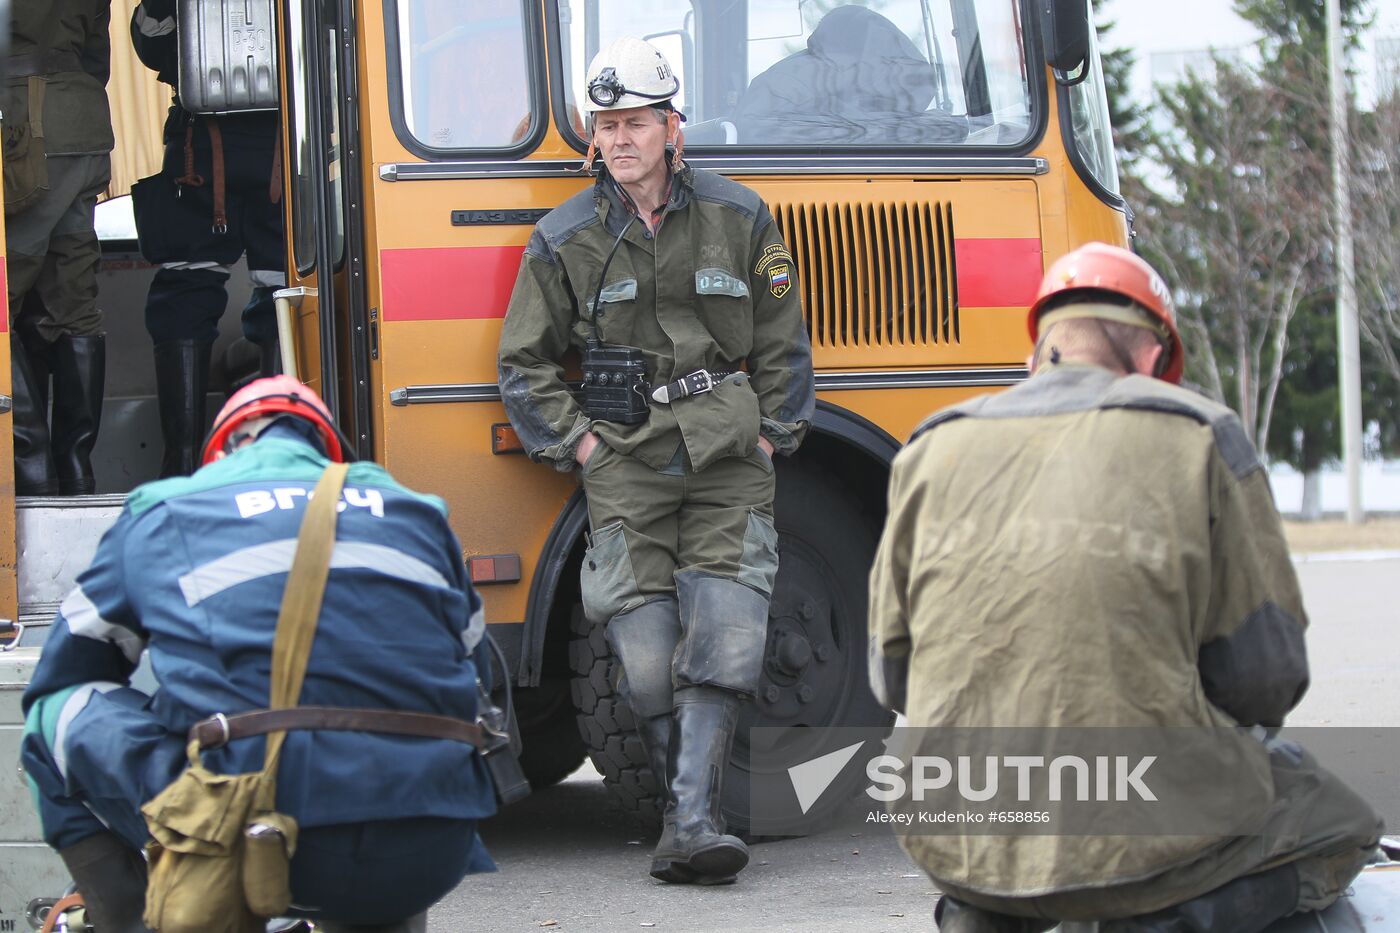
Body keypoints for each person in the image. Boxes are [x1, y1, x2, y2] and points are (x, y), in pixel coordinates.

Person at [867, 242, 1383, 932]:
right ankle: (1162, 917)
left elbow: (891, 677)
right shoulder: (1200, 434)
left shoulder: (929, 446)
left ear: (1039, 350)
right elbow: (1266, 679)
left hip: (955, 833)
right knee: (1341, 822)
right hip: (1145, 838)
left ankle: (981, 914)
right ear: (1150, 361)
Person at [498, 36, 814, 885]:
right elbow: (522, 364)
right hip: (625, 458)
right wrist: (584, 443)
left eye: (637, 121)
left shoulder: (739, 215)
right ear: (594, 138)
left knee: (728, 631)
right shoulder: (563, 238)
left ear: (673, 128)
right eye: (607, 125)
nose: (621, 139)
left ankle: (693, 819)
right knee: (644, 653)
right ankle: (687, 818)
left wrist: (771, 432)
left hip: (724, 452)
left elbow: (784, 339)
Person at [20, 376, 496, 933]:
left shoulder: (167, 508)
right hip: (430, 849)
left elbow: (68, 667)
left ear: (227, 448)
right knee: (412, 729)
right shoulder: (417, 513)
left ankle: (137, 918)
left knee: (54, 711)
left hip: (252, 834)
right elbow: (477, 677)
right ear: (328, 452)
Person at [129, 0, 286, 477]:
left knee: (187, 296)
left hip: (201, 151)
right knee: (283, 296)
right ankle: (281, 455)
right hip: (282, 149)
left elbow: (152, 45)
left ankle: (180, 466)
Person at [3, 0, 114, 495]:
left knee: (4, 300)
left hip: (25, 129)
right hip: (84, 125)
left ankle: (30, 471)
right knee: (74, 304)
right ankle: (75, 472)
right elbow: (97, 58)